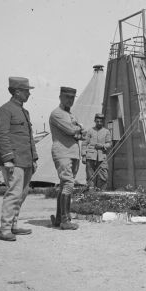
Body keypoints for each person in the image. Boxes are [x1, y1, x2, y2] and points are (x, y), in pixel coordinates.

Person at [0, 77, 38, 242]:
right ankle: (5, 229)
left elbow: (29, 138)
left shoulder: (24, 112)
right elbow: (1, 136)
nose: (29, 94)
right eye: (27, 91)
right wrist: (7, 159)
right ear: (17, 91)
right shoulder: (5, 110)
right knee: (13, 193)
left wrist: (34, 158)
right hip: (13, 160)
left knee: (22, 193)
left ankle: (13, 224)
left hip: (26, 160)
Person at [49, 86, 84, 229]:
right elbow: (71, 130)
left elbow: (80, 134)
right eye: (67, 97)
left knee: (65, 184)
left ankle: (59, 219)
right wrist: (78, 128)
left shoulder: (71, 115)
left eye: (72, 98)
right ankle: (65, 220)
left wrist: (77, 130)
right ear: (60, 97)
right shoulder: (56, 114)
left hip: (73, 153)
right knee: (68, 183)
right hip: (62, 152)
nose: (70, 100)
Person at [82, 113, 112, 191]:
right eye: (97, 121)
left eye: (101, 121)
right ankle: (91, 194)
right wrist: (84, 156)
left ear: (103, 122)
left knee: (104, 176)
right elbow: (84, 143)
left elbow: (109, 144)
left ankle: (101, 193)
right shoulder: (90, 131)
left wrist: (102, 146)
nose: (99, 123)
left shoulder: (106, 131)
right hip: (90, 157)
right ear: (95, 121)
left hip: (102, 157)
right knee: (90, 176)